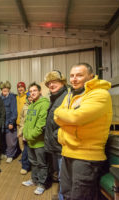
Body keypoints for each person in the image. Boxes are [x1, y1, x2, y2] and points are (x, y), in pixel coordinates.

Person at [54, 63, 112, 200]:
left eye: (79, 75)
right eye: (72, 76)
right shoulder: (71, 95)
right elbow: (57, 118)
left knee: (80, 196)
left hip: (86, 156)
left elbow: (76, 117)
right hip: (68, 151)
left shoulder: (100, 94)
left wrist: (61, 113)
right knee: (67, 193)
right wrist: (65, 116)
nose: (74, 79)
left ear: (91, 76)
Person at [43, 70, 68, 200]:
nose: (51, 85)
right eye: (49, 83)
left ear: (62, 82)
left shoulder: (66, 97)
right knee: (60, 174)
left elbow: (68, 122)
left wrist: (55, 134)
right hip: (55, 144)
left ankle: (62, 197)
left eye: (55, 82)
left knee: (63, 176)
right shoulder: (55, 98)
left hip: (61, 144)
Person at [22, 82, 50, 195]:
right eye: (30, 91)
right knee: (33, 162)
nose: (32, 93)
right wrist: (25, 133)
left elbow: (41, 126)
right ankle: (34, 180)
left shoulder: (44, 104)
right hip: (30, 141)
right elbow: (27, 122)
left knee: (42, 164)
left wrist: (29, 135)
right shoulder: (32, 104)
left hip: (40, 142)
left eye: (34, 90)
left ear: (39, 91)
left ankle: (41, 184)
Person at [0, 81, 17, 163]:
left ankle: (10, 155)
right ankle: (5, 153)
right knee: (3, 140)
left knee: (11, 141)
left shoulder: (12, 98)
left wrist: (11, 122)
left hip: (9, 122)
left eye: (6, 90)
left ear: (9, 90)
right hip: (2, 123)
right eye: (3, 90)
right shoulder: (0, 98)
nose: (5, 92)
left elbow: (14, 111)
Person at [18, 92, 32, 175]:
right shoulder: (25, 106)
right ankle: (24, 166)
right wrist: (20, 131)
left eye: (31, 97)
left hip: (34, 132)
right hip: (26, 131)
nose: (30, 98)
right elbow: (22, 119)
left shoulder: (38, 105)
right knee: (25, 150)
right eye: (28, 97)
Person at [16, 82, 27, 152]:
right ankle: (23, 155)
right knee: (20, 141)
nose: (20, 89)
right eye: (19, 87)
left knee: (26, 140)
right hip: (18, 123)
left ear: (24, 88)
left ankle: (28, 156)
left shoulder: (28, 96)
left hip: (26, 123)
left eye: (22, 87)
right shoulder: (16, 97)